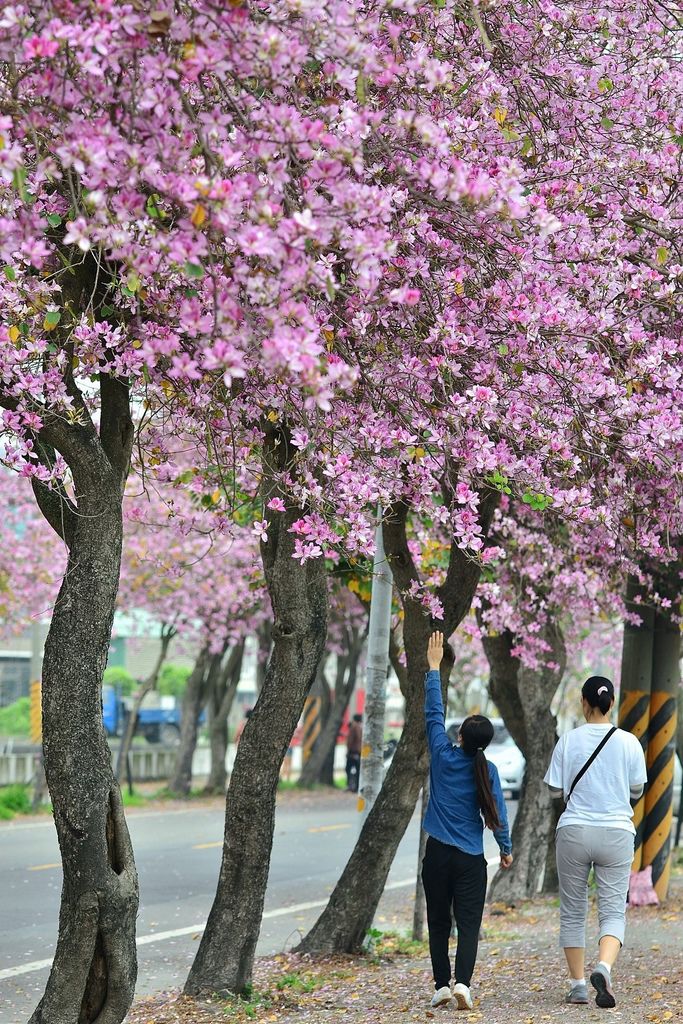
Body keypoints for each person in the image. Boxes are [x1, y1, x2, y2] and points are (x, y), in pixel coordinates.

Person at [422, 631, 513, 1011]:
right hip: (471, 859)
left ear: (460, 736)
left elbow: (433, 713)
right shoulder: (487, 769)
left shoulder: (443, 754)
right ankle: (463, 984)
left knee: (439, 922)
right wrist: (505, 850)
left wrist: (433, 668)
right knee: (469, 924)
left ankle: (442, 985)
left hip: (437, 855)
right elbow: (500, 815)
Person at [544, 675, 647, 1009]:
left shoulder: (569, 741)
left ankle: (577, 985)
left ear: (583, 703)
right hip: (617, 832)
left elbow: (554, 791)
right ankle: (603, 966)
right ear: (612, 703)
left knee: (573, 911)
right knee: (613, 911)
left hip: (574, 831)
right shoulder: (629, 742)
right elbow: (637, 791)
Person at [346, 713, 362, 792]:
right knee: (358, 769)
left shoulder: (353, 726)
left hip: (353, 751)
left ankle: (350, 786)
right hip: (359, 751)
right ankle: (356, 786)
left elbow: (350, 740)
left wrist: (348, 751)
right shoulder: (361, 727)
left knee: (348, 769)